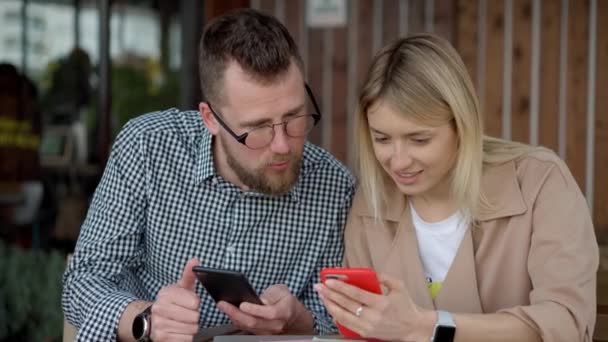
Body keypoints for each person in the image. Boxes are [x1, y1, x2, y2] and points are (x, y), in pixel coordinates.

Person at [62, 8, 355, 341]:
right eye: (257, 128)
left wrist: (301, 321)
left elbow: (344, 319)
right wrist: (149, 320)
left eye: (294, 117)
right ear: (210, 118)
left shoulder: (334, 187)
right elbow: (83, 282)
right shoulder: (148, 147)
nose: (282, 145)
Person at [314, 34, 598, 342]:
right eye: (382, 139)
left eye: (419, 140)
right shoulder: (370, 203)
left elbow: (567, 322)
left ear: (462, 125)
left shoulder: (540, 182)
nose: (398, 162)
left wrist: (429, 327)